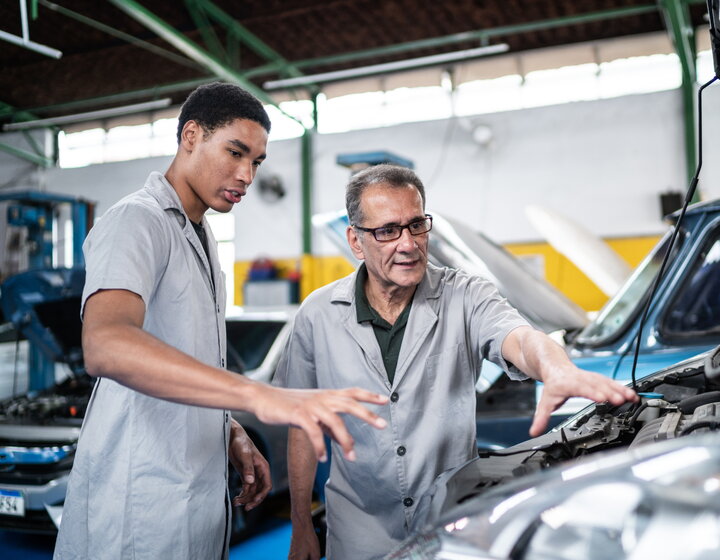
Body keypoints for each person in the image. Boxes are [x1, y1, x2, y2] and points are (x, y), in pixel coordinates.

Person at [53, 83, 387, 560]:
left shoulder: (204, 239)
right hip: (137, 514)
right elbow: (106, 343)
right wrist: (261, 395)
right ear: (191, 135)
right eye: (235, 152)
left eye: (256, 161)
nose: (247, 174)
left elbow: (184, 357)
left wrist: (229, 430)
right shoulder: (136, 221)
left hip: (197, 506)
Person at [276, 164, 639, 560]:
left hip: (451, 522)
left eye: (417, 225)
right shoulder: (317, 315)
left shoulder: (464, 295)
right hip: (359, 530)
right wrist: (301, 526)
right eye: (388, 230)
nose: (409, 244)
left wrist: (556, 369)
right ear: (356, 240)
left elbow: (519, 338)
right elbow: (301, 425)